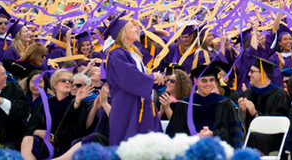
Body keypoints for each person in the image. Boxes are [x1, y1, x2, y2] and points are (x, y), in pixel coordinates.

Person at [104, 16, 162, 145]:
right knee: (128, 144)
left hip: (138, 103)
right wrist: (153, 77)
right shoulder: (116, 54)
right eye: (131, 27)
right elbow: (129, 77)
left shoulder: (130, 52)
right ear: (123, 33)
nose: (136, 29)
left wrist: (151, 76)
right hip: (127, 105)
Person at [166, 62, 243, 146]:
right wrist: (194, 137)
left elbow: (235, 134)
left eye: (211, 80)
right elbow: (174, 133)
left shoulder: (225, 103)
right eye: (204, 80)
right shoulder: (184, 104)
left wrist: (214, 134)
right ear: (196, 81)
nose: (208, 84)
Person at [20, 68, 88, 160]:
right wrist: (36, 132)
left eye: (70, 81)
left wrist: (77, 103)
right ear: (54, 85)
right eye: (63, 80)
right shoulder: (44, 103)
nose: (67, 83)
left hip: (65, 144)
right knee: (27, 139)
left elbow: (77, 122)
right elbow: (30, 126)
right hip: (44, 143)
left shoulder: (76, 101)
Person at [233, 57, 290, 155]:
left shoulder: (279, 95)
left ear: (263, 74)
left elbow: (278, 124)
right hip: (251, 136)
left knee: (254, 136)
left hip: (272, 138)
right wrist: (242, 113)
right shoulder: (246, 94)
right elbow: (242, 125)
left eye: (252, 71)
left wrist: (255, 113)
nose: (248, 74)